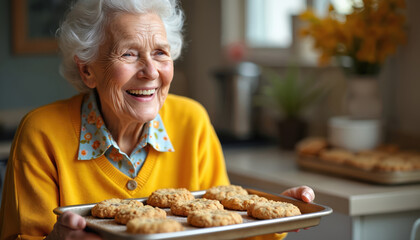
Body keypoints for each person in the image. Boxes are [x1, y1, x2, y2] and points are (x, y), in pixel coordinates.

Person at [0, 0, 315, 239]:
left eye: (161, 53)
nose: (151, 72)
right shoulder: (42, 134)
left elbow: (222, 229)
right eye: (129, 54)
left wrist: (269, 221)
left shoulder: (192, 122)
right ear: (88, 70)